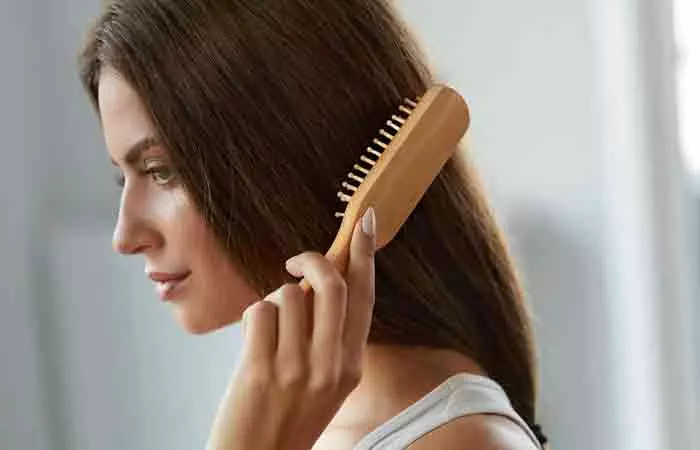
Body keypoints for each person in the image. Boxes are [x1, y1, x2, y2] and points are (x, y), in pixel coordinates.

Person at [79, 1, 548, 449]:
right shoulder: (303, 417)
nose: (125, 236)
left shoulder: (458, 443)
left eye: (163, 171)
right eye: (123, 177)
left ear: (296, 153)